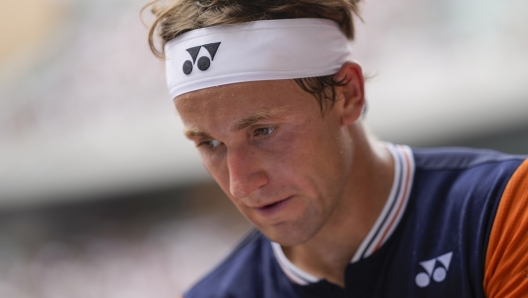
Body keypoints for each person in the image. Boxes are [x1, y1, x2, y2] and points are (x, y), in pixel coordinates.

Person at [144, 0, 528, 297]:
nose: (241, 184)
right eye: (210, 144)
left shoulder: (504, 208)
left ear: (348, 94)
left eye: (263, 130)